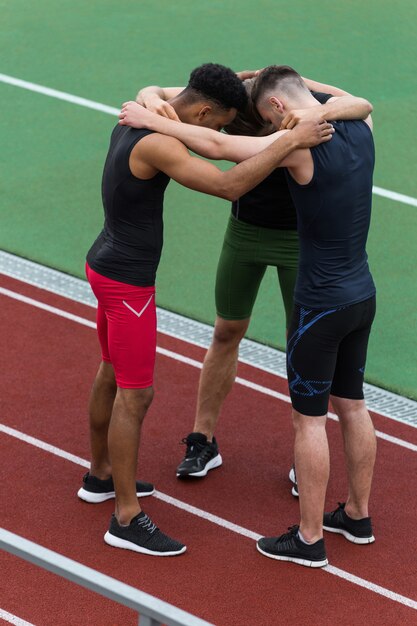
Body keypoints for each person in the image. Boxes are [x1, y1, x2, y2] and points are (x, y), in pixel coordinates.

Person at [119, 65, 376, 568]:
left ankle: (308, 539)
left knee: (309, 422)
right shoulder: (361, 127)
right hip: (361, 294)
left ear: (278, 107)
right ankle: (357, 516)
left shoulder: (300, 145)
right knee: (353, 405)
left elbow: (219, 152)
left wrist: (157, 124)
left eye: (262, 114)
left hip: (318, 301)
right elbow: (360, 101)